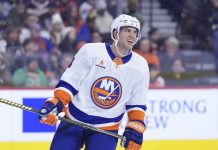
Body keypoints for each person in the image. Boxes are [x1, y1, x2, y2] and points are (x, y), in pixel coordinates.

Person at [39, 14, 149, 150]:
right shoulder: (91, 51)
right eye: (127, 30)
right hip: (74, 120)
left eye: (135, 32)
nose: (132, 35)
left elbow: (137, 103)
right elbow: (71, 82)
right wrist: (57, 102)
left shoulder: (140, 66)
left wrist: (136, 125)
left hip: (107, 128)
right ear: (116, 32)